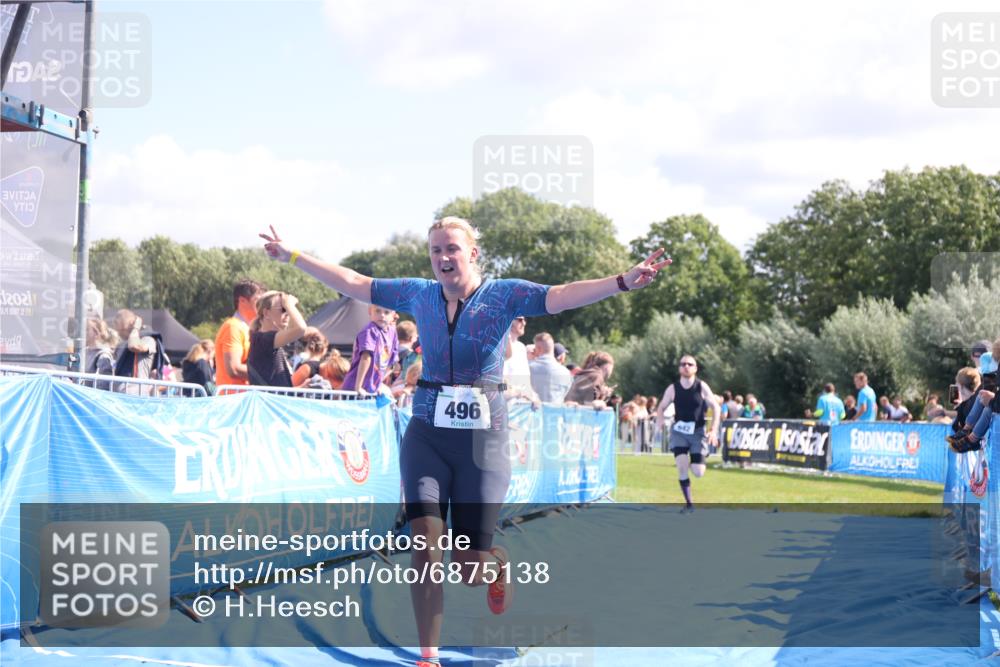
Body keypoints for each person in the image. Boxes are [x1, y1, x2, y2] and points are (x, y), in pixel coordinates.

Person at [260, 217, 669, 667]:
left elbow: (562, 294)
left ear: (473, 254)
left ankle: (494, 565)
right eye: (435, 251)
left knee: (469, 568)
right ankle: (428, 657)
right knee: (424, 542)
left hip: (483, 443)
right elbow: (355, 281)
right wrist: (293, 256)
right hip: (427, 436)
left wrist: (622, 283)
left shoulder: (503, 295)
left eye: (452, 249)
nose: (443, 259)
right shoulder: (419, 294)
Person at [654, 355, 721, 513]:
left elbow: (716, 408)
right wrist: (660, 419)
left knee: (698, 472)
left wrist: (714, 429)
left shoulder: (701, 386)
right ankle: (689, 504)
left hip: (698, 432)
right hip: (679, 432)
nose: (686, 366)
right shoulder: (673, 388)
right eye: (683, 364)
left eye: (690, 364)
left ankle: (699, 456)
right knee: (682, 467)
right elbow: (661, 406)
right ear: (679, 368)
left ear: (695, 368)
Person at [247, 291, 307, 387]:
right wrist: (290, 305)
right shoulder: (262, 340)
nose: (287, 313)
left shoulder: (265, 340)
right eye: (283, 309)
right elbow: (300, 328)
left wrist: (300, 389)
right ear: (266, 313)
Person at [215, 279, 266, 388]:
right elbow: (234, 368)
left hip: (244, 400)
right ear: (242, 300)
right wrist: (267, 375)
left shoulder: (250, 328)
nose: (263, 305)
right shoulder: (233, 327)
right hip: (233, 401)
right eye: (258, 300)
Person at [341, 304, 399, 395]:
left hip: (371, 389)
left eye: (386, 312)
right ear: (370, 311)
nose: (382, 315)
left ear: (393, 315)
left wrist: (378, 384)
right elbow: (366, 358)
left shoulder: (392, 332)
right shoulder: (370, 330)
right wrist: (358, 387)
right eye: (377, 311)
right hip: (354, 387)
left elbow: (392, 364)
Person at [111, 309, 167, 396]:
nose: (119, 333)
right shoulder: (123, 344)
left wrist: (136, 328)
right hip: (119, 394)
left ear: (131, 323)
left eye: (121, 329)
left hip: (136, 395)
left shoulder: (148, 339)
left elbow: (134, 346)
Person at [528, 332, 572, 403]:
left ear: (538, 348)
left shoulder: (528, 368)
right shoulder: (566, 373)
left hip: (533, 412)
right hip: (556, 412)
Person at [84, 317, 119, 391]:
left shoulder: (103, 355)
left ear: (96, 333)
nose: (82, 332)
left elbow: (103, 385)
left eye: (86, 330)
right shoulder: (83, 352)